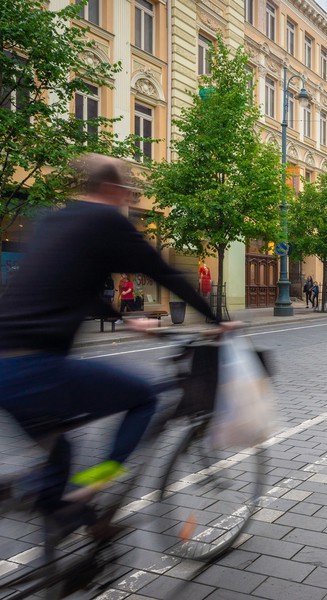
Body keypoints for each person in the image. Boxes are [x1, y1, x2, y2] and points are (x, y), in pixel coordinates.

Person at [0, 154, 221, 520]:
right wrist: (218, 319)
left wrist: (125, 318)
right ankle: (92, 488)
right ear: (110, 189)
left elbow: (78, 287)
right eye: (127, 192)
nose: (128, 200)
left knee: (61, 455)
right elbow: (166, 273)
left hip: (6, 366)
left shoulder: (53, 219)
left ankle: (58, 528)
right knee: (144, 398)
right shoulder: (106, 221)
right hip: (35, 367)